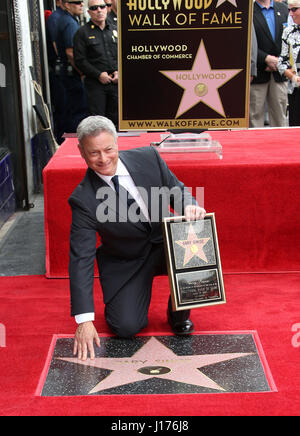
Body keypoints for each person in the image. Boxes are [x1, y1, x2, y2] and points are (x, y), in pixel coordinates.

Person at [69, 116, 206, 361]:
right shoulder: (83, 199)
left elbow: (177, 190)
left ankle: (179, 312)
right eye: (94, 153)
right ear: (81, 152)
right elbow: (81, 259)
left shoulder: (148, 157)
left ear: (117, 143)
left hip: (167, 244)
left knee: (196, 241)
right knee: (126, 327)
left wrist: (189, 206)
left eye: (108, 149)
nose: (103, 159)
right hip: (127, 260)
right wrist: (84, 319)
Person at [73, 0, 118, 127]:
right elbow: (80, 60)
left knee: (117, 121)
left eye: (102, 6)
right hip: (95, 84)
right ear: (89, 12)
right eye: (94, 8)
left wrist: (119, 72)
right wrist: (98, 75)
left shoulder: (116, 29)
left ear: (106, 9)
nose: (99, 10)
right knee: (98, 122)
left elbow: (124, 54)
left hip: (116, 83)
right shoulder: (82, 33)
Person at [250, 0, 289, 127]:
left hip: (279, 73)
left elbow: (290, 38)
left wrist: (280, 61)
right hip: (257, 73)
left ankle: (281, 146)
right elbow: (247, 42)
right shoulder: (249, 11)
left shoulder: (283, 9)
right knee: (254, 117)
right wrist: (265, 58)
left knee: (280, 117)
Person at [55, 0, 87, 133]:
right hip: (72, 73)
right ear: (67, 5)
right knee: (77, 111)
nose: (81, 5)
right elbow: (71, 53)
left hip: (65, 72)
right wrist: (82, 73)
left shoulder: (62, 19)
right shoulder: (69, 23)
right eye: (77, 2)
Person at [278, 1, 300, 125]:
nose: (291, 14)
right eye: (289, 10)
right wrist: (293, 77)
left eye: (294, 9)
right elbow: (282, 61)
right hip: (296, 90)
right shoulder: (288, 31)